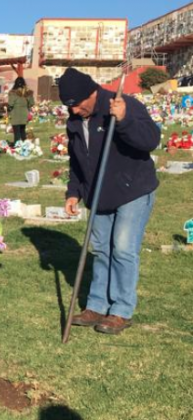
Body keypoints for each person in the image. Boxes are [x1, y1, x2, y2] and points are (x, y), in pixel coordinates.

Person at [60, 67, 160, 335]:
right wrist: (74, 192)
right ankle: (96, 305)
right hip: (98, 193)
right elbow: (77, 161)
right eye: (68, 107)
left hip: (132, 190)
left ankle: (121, 310)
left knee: (123, 249)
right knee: (102, 250)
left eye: (77, 105)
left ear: (92, 93)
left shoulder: (124, 105)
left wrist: (125, 120)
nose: (73, 111)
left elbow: (151, 140)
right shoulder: (75, 120)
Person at [8, 77, 34, 143]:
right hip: (24, 114)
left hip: (15, 114)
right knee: (22, 131)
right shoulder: (28, 93)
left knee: (16, 133)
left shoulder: (13, 93)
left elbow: (10, 104)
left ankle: (17, 147)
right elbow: (32, 103)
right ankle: (25, 146)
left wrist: (8, 110)